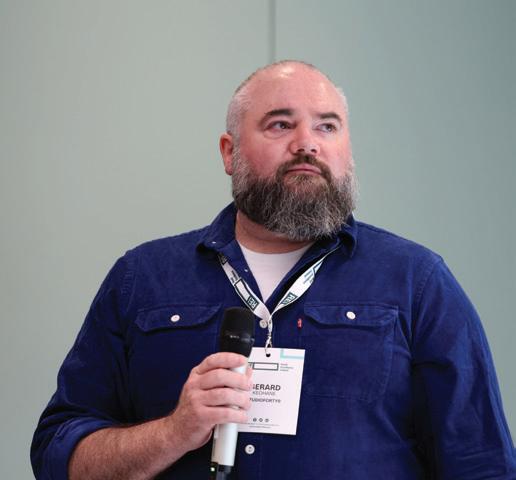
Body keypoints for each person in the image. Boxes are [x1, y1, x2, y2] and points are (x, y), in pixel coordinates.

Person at [31, 60, 516, 479]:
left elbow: (482, 463)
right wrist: (174, 431)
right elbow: (58, 456)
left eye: (327, 127)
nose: (307, 144)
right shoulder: (142, 279)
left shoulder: (416, 281)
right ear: (229, 152)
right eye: (281, 125)